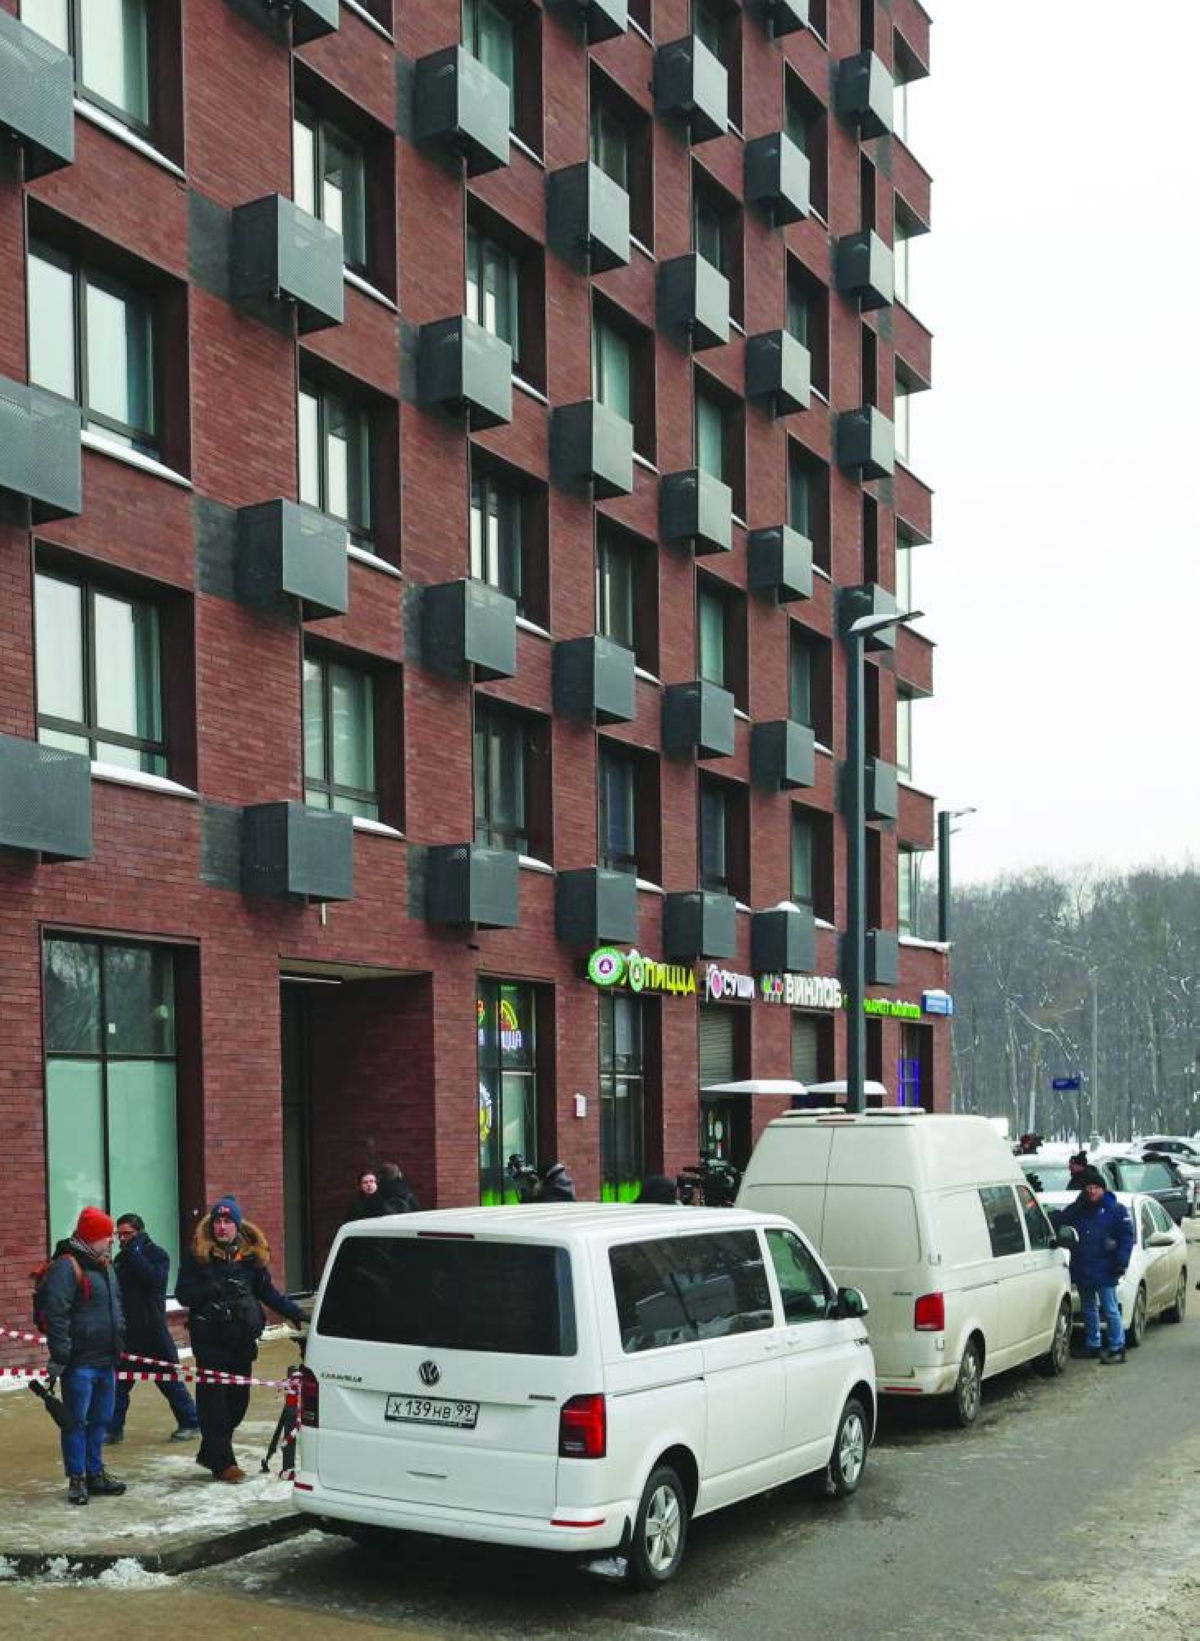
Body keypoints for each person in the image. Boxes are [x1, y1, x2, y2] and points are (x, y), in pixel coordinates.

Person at [175, 1196, 303, 1483]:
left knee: (237, 1404)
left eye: (228, 1222)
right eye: (218, 1222)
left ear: (237, 1225)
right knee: (214, 1407)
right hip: (210, 1341)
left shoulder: (249, 1258)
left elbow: (267, 1291)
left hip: (242, 1340)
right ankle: (223, 1463)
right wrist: (212, 1288)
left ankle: (211, 1452)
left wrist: (294, 1313)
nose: (222, 1227)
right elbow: (183, 1294)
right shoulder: (198, 1257)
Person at [41, 1206, 127, 1506]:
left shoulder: (105, 1265)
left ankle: (95, 1472)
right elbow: (56, 1314)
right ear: (92, 1237)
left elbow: (116, 1306)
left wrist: (120, 1342)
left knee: (101, 1419)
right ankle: (77, 1478)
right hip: (79, 1362)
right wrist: (61, 1354)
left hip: (106, 1359)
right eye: (107, 1236)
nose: (112, 1241)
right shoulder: (67, 1267)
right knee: (75, 1421)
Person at [107, 1213, 199, 1446]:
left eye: (127, 1234)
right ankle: (113, 1430)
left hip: (152, 1333)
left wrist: (135, 1252)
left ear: (139, 1233)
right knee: (119, 1383)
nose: (122, 1239)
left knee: (168, 1381)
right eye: (120, 1234)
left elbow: (154, 1280)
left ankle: (190, 1421)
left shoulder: (156, 1254)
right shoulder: (122, 1258)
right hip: (128, 1334)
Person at [1058, 1166, 1134, 1364]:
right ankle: (1093, 1344)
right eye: (1088, 1187)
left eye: (1095, 1187)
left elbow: (1126, 1238)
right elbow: (1060, 1219)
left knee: (1109, 1309)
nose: (1091, 1191)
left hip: (1106, 1268)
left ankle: (1118, 1347)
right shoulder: (1079, 1209)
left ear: (1103, 1189)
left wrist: (1121, 1263)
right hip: (1083, 1267)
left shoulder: (1116, 1210)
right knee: (1088, 1309)